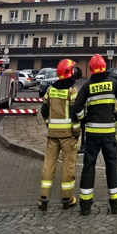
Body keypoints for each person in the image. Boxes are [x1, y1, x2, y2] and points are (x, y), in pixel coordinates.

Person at [74, 54, 117, 216]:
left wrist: (83, 119)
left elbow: (77, 106)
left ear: (91, 69)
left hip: (92, 135)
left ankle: (85, 206)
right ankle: (116, 205)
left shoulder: (87, 86)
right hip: (109, 134)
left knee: (88, 167)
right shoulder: (113, 83)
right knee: (112, 166)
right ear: (105, 67)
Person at [39, 58, 80, 212]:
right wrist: (76, 131)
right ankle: (67, 198)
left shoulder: (50, 90)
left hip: (52, 135)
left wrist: (49, 124)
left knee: (48, 165)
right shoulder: (72, 91)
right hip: (68, 136)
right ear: (69, 73)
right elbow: (75, 113)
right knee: (67, 166)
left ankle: (43, 197)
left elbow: (44, 110)